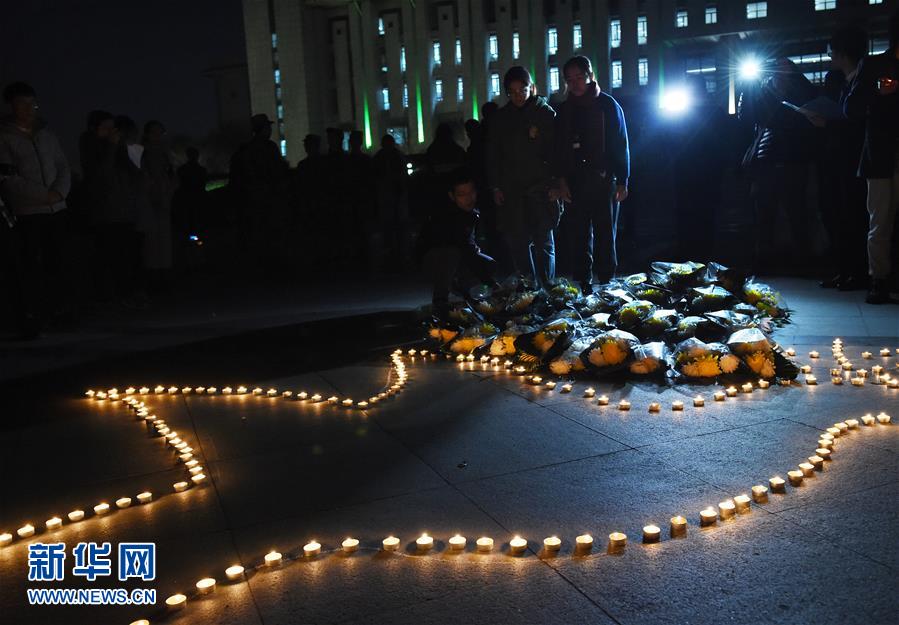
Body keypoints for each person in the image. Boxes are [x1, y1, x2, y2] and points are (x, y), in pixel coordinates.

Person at [0, 81, 71, 338]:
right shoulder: (5, 137)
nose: (29, 109)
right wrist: (43, 195)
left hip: (57, 209)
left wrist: (59, 192)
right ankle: (35, 314)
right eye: (22, 104)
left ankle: (59, 310)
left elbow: (62, 165)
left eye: (33, 104)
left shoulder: (47, 134)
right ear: (11, 105)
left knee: (58, 261)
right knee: (31, 265)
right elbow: (8, 177)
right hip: (28, 212)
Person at [555, 56, 630, 293]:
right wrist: (561, 180)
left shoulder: (607, 105)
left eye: (579, 77)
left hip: (604, 179)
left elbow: (620, 143)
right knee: (578, 234)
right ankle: (583, 282)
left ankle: (607, 281)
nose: (575, 83)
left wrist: (623, 179)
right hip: (575, 181)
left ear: (590, 76)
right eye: (570, 79)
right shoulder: (564, 110)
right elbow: (559, 149)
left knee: (606, 233)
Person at [739, 57, 818, 276]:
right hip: (768, 159)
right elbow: (747, 117)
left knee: (797, 212)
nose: (780, 73)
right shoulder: (762, 91)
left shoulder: (801, 90)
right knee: (765, 213)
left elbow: (805, 118)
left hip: (792, 159)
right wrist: (749, 89)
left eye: (785, 68)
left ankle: (803, 259)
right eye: (777, 68)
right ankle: (765, 260)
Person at [486, 66, 560, 287]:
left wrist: (556, 183)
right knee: (518, 242)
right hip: (513, 189)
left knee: (543, 241)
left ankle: (548, 287)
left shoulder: (545, 113)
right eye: (512, 92)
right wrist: (495, 186)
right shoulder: (501, 118)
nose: (518, 96)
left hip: (541, 187)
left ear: (532, 88)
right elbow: (493, 154)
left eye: (522, 90)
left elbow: (556, 153)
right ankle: (528, 289)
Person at [844, 11, 899, 304]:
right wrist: (877, 92)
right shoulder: (875, 64)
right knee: (880, 221)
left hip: (883, 152)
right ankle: (878, 279)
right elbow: (851, 108)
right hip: (881, 154)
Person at [813, 27, 869, 291]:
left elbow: (857, 123)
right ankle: (844, 270)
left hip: (853, 159)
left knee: (853, 215)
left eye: (831, 53)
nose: (829, 58)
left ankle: (857, 272)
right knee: (837, 214)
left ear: (841, 53)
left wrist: (827, 124)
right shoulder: (842, 81)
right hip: (838, 158)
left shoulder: (862, 81)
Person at [417, 167, 496, 316]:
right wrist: (490, 282)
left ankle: (467, 292)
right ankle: (440, 300)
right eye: (462, 194)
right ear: (452, 196)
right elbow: (463, 248)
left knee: (489, 263)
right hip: (434, 260)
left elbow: (470, 246)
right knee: (452, 254)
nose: (468, 198)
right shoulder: (447, 215)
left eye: (471, 192)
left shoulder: (473, 212)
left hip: (458, 258)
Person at [670, 75, 728, 262]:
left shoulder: (682, 113)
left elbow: (670, 139)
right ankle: (703, 255)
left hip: (689, 171)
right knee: (705, 216)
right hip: (706, 173)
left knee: (688, 215)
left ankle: (688, 254)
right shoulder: (715, 112)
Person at [141, 120, 175, 284]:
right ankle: (156, 275)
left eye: (160, 132)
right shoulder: (145, 152)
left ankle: (162, 273)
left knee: (161, 239)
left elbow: (171, 174)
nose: (159, 135)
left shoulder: (163, 151)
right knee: (153, 240)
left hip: (163, 198)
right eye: (155, 132)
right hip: (152, 199)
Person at [372, 134, 409, 267]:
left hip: (388, 195)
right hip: (392, 195)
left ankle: (392, 251)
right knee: (396, 225)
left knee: (391, 225)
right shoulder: (396, 156)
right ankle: (397, 251)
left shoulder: (381, 157)